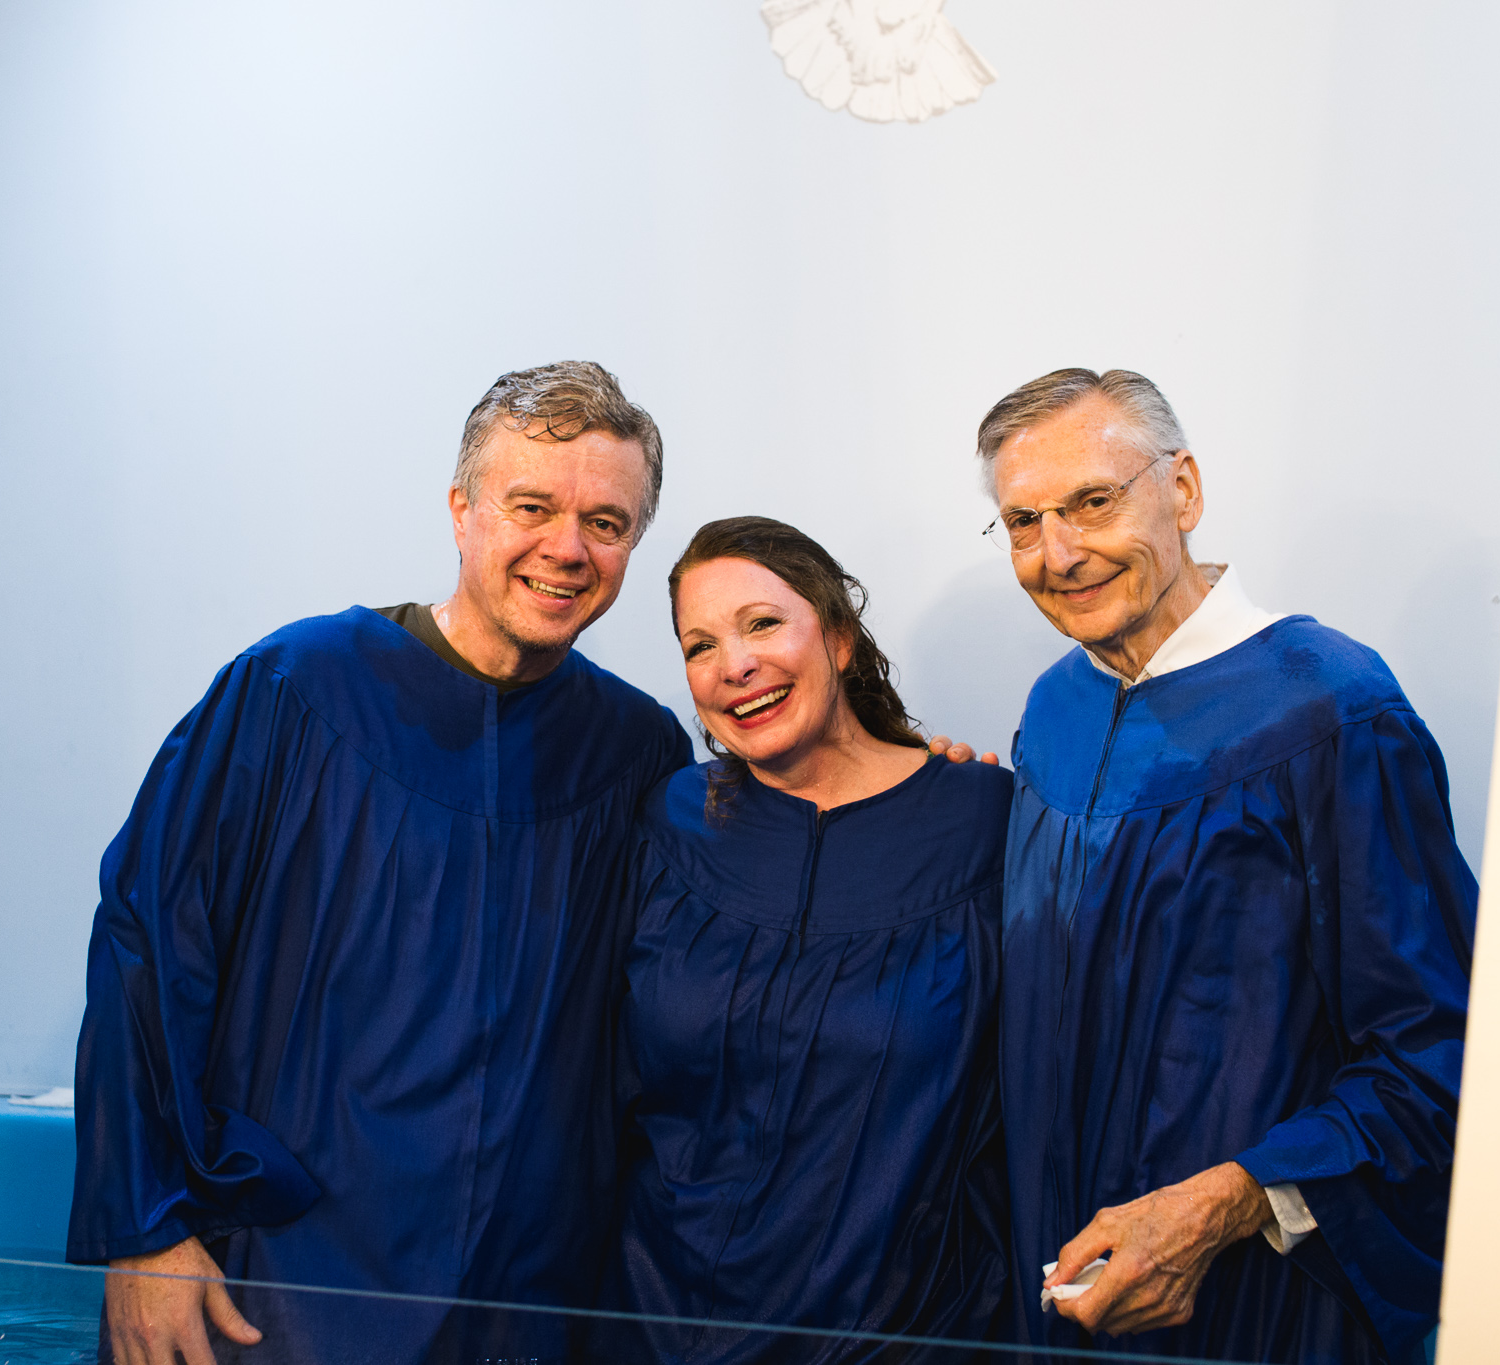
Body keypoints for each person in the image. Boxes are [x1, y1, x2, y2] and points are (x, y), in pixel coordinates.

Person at [69, 363, 986, 1365]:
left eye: (606, 521)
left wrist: (926, 787)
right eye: (531, 506)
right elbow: (147, 946)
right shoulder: (293, 692)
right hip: (288, 1280)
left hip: (528, 1301)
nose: (566, 547)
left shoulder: (633, 756)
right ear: (461, 511)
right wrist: (145, 1228)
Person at [978, 369, 1476, 1365]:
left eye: (1092, 502)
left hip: (1252, 1308)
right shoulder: (1054, 706)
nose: (1058, 553)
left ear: (1184, 490)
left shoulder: (1326, 708)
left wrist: (1226, 1200)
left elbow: (1434, 1047)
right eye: (1022, 522)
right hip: (1060, 1292)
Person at [595, 517, 1012, 1364]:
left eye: (761, 623)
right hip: (658, 1323)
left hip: (906, 1332)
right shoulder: (669, 822)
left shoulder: (985, 824)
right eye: (699, 644)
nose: (732, 665)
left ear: (840, 638)